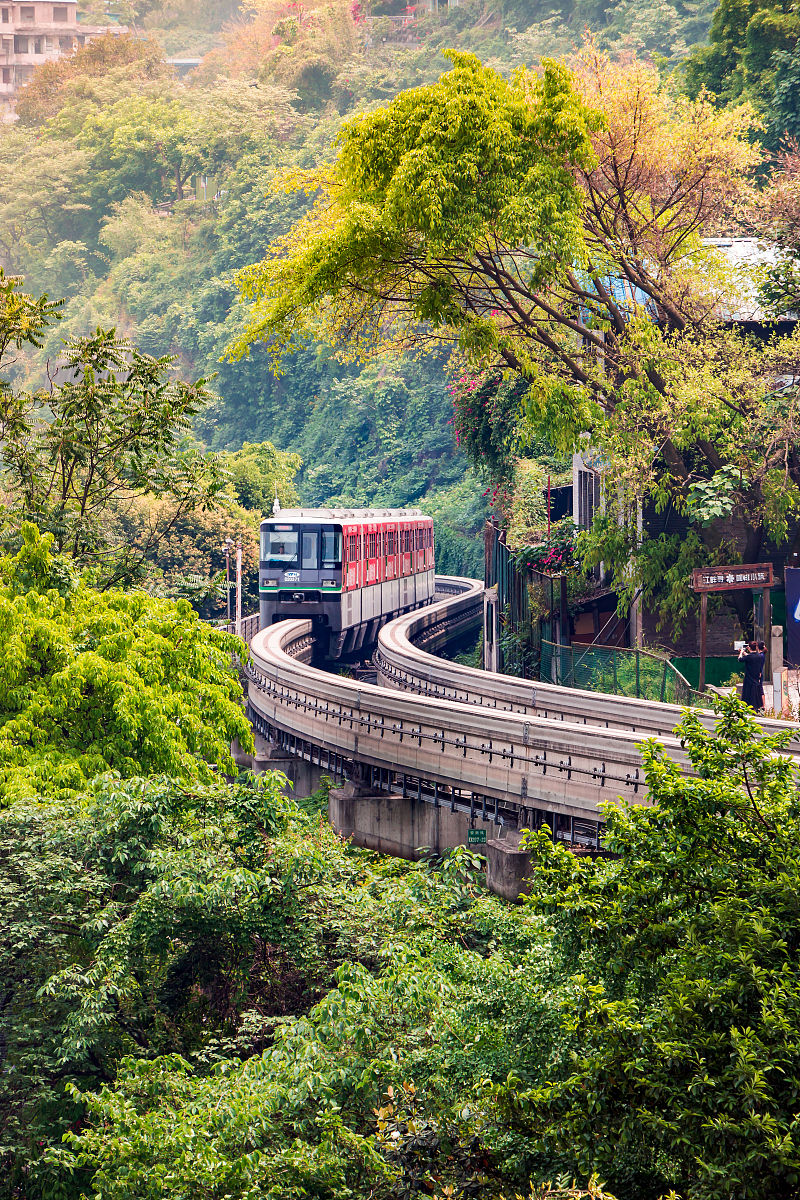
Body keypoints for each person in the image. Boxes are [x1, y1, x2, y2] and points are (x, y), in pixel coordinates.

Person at [739, 640, 764, 710]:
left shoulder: (749, 657)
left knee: (747, 693)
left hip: (749, 677)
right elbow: (751, 656)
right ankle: (756, 707)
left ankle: (747, 706)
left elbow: (740, 659)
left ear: (749, 648)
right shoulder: (759, 656)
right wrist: (745, 652)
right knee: (755, 692)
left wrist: (741, 652)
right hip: (756, 677)